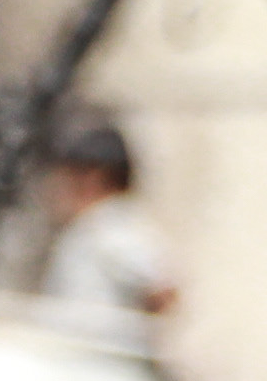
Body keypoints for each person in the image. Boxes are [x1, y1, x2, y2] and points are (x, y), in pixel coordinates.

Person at [38, 115, 178, 328]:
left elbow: (163, 288)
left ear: (95, 177)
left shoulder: (111, 225)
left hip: (95, 357)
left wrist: (124, 333)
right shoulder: (92, 226)